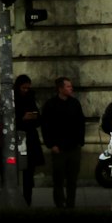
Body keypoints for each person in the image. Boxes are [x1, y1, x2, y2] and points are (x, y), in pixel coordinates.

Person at [40, 76, 86, 210]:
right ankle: (59, 204)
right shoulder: (50, 105)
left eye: (71, 86)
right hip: (58, 148)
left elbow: (81, 123)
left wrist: (80, 142)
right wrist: (51, 144)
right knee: (58, 179)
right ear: (60, 88)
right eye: (68, 86)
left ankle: (71, 204)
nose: (71, 88)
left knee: (72, 179)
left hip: (73, 147)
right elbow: (46, 126)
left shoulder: (75, 103)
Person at [14, 75, 44, 206]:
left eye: (28, 88)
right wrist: (22, 119)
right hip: (17, 138)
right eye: (23, 88)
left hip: (30, 138)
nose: (26, 90)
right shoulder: (13, 99)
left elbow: (39, 119)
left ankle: (27, 200)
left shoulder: (31, 98)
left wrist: (33, 117)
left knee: (29, 172)